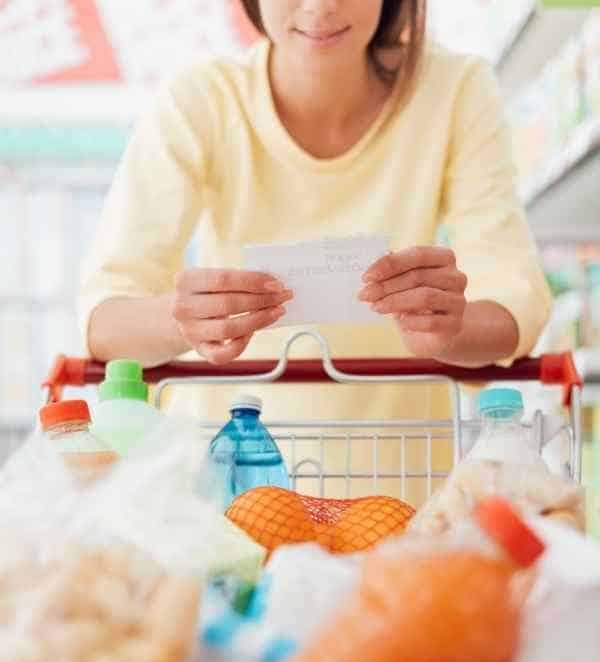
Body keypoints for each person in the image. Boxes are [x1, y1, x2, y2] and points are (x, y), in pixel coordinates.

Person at [79, 0, 551, 501]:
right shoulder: (202, 100)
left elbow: (514, 307)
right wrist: (185, 320)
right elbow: (104, 321)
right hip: (226, 495)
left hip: (399, 496)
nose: (321, 7)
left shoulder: (456, 92)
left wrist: (449, 327)